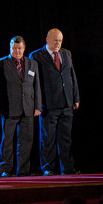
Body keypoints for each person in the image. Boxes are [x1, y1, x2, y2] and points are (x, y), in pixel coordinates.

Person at [30, 28, 80, 176]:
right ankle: (48, 168)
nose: (58, 43)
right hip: (48, 104)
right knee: (48, 138)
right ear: (47, 40)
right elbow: (34, 83)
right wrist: (37, 104)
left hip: (67, 103)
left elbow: (72, 76)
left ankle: (67, 168)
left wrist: (76, 97)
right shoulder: (36, 56)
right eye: (55, 40)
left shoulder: (66, 53)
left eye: (60, 40)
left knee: (66, 138)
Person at [0, 36, 41, 177]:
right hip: (9, 109)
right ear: (10, 48)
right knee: (7, 141)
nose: (17, 51)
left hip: (28, 108)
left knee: (26, 141)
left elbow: (37, 86)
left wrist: (38, 106)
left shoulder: (32, 63)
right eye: (14, 48)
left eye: (19, 48)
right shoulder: (1, 63)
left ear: (24, 48)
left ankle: (23, 170)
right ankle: (5, 169)